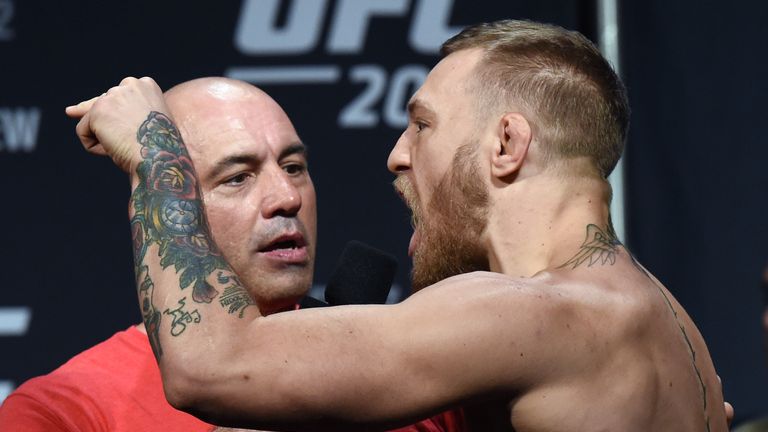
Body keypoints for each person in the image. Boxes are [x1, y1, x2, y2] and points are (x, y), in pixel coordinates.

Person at [66, 19, 730, 431]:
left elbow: (210, 366)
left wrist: (154, 146)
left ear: (507, 145)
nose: (398, 153)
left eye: (423, 124)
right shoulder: (673, 330)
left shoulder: (528, 314)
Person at [0, 78, 461, 432]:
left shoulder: (410, 378)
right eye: (237, 177)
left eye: (294, 167)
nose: (286, 196)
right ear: (160, 209)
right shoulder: (64, 411)